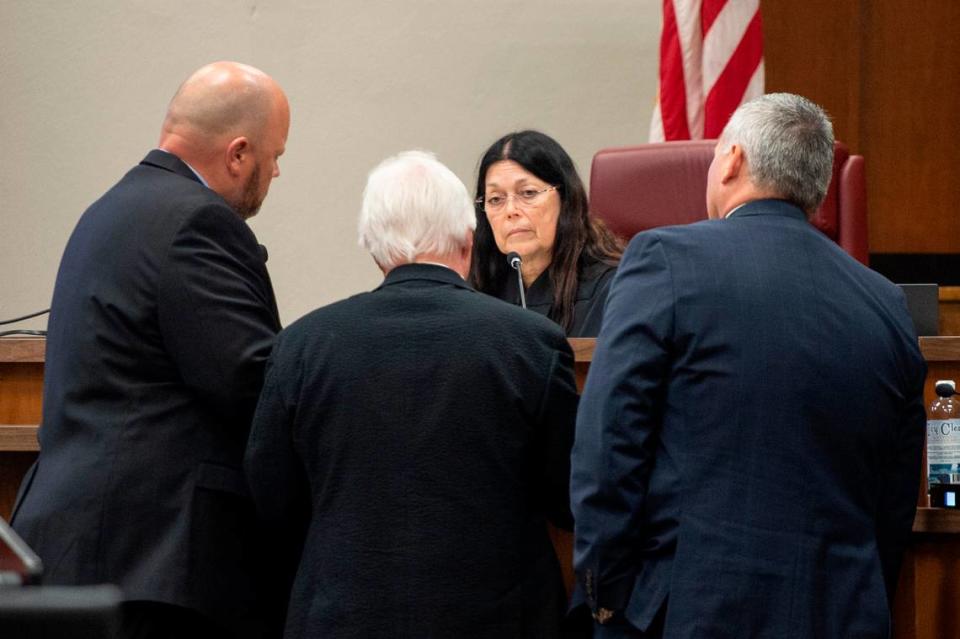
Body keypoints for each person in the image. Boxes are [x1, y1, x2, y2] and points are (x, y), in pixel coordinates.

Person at [570, 93, 926, 638]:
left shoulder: (663, 259)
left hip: (695, 611)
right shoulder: (885, 303)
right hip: (844, 612)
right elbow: (896, 492)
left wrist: (606, 597)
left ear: (732, 160)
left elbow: (608, 443)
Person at [244, 150, 580, 638]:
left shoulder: (301, 346)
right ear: (468, 241)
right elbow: (568, 496)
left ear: (375, 249)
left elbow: (271, 498)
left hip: (343, 616)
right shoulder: (532, 343)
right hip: (499, 617)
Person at [11, 61, 289, 639]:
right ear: (239, 153)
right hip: (154, 559)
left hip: (78, 547)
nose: (278, 171)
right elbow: (252, 383)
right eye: (274, 155)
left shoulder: (106, 212)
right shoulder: (198, 222)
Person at [470, 130, 623, 336]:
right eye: (496, 199)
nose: (510, 211)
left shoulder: (612, 288)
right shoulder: (479, 290)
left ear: (565, 199)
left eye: (528, 193)